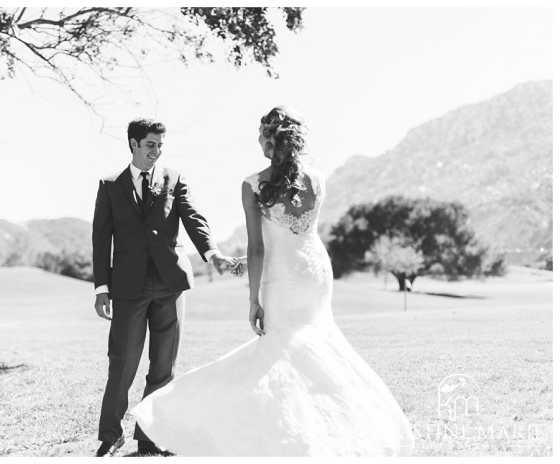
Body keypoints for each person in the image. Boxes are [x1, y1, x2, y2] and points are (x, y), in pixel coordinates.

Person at [130, 106, 415, 456]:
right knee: (314, 344)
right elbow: (301, 232)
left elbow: (257, 247)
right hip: (315, 271)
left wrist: (253, 299)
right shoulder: (317, 180)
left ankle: (287, 437)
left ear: (270, 138)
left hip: (282, 276)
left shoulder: (253, 184)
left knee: (280, 350)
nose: (259, 142)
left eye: (261, 136)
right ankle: (337, 428)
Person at [92, 118, 236, 457]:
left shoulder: (175, 179)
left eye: (160, 145)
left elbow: (192, 217)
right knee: (123, 360)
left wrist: (212, 253)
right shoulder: (110, 184)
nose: (156, 151)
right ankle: (111, 435)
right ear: (133, 144)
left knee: (163, 366)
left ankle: (150, 435)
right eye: (150, 145)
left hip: (170, 283)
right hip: (128, 287)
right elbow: (101, 240)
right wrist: (101, 287)